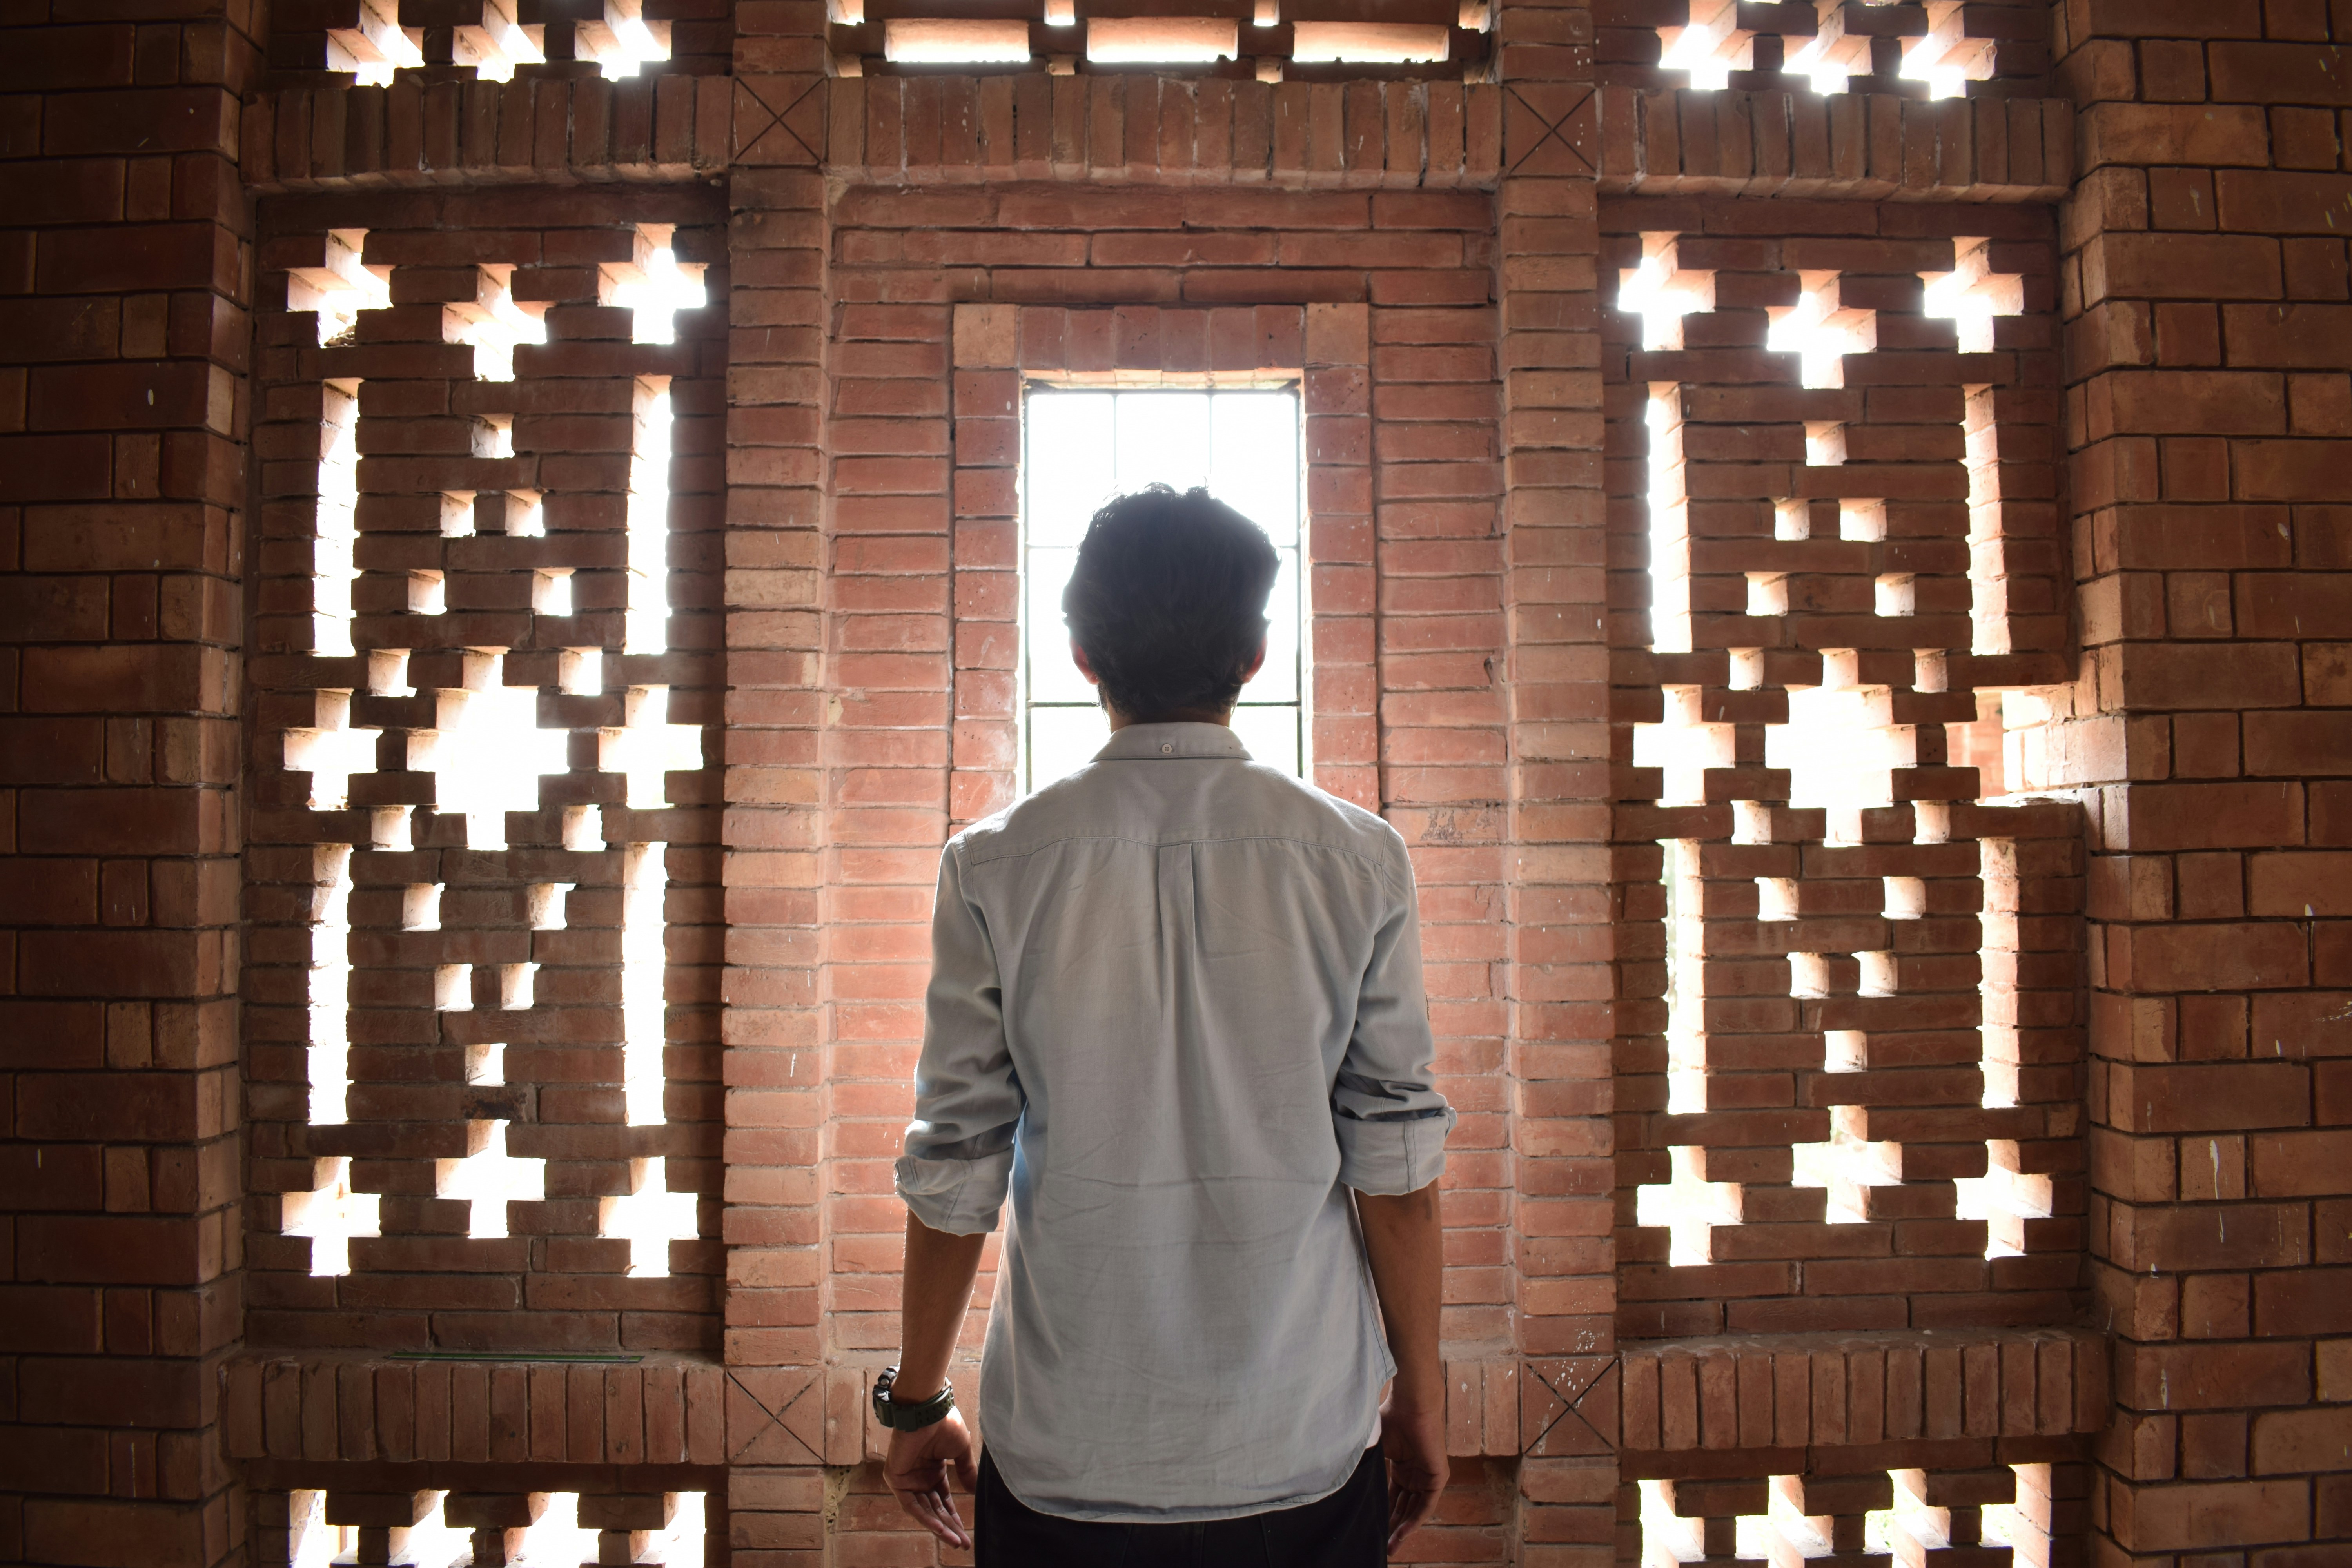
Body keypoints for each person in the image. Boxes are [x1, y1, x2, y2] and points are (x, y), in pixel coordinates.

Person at [877, 484, 1455, 1566]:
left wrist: (917, 1404)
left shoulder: (992, 866)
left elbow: (957, 1160)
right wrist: (1420, 1397)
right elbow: (1398, 1170)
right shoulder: (1360, 860)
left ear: (1083, 657)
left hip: (1068, 1449)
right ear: (1255, 656)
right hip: (1301, 1439)